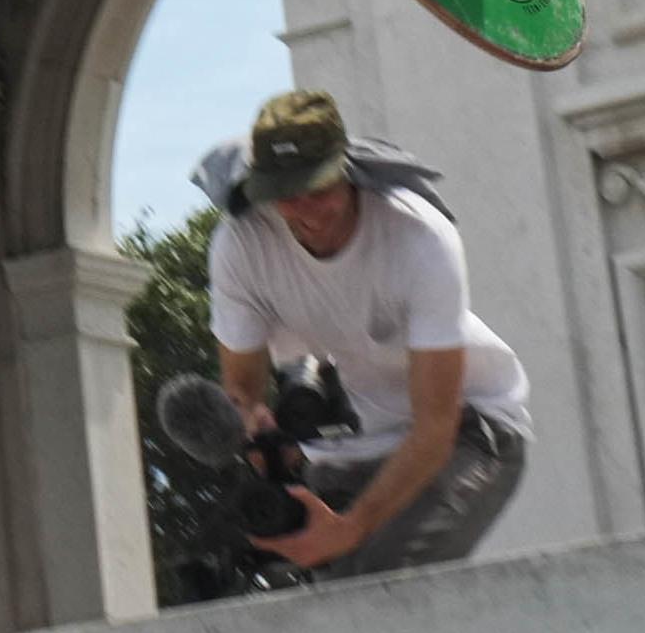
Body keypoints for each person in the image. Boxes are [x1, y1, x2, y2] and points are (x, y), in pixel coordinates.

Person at [196, 89, 532, 578]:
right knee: (281, 581)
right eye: (287, 196)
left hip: (468, 431)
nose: (308, 211)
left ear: (346, 171)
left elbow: (435, 427)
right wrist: (257, 427)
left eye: (319, 189)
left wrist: (352, 527)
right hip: (347, 450)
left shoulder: (419, 238)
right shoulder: (240, 245)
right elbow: (242, 388)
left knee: (380, 579)